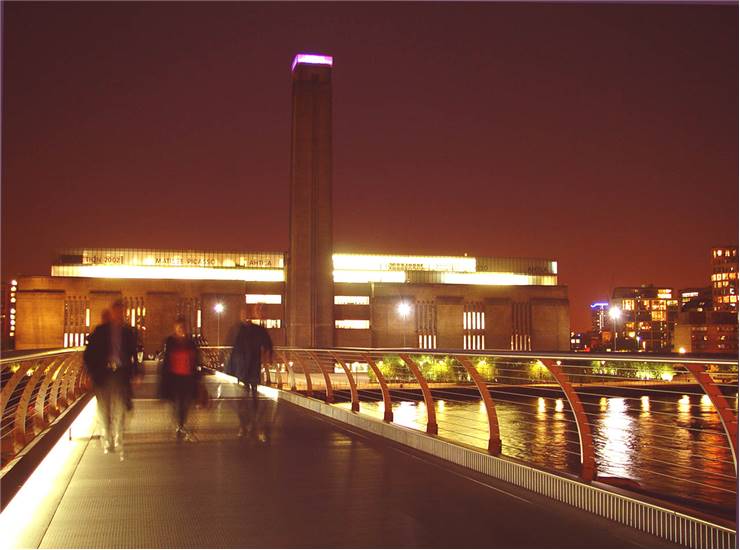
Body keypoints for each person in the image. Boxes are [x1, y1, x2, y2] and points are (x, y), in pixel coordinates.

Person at [83, 300, 140, 455]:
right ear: (112, 312)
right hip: (103, 374)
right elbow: (88, 354)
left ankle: (118, 437)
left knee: (120, 407)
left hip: (121, 373)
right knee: (104, 408)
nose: (119, 315)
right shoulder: (100, 331)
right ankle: (107, 436)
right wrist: (89, 374)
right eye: (117, 311)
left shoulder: (128, 332)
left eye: (122, 312)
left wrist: (136, 374)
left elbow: (134, 355)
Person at [226, 304, 273, 439]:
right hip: (241, 370)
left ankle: (251, 423)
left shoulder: (257, 330)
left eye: (246, 314)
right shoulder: (236, 330)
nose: (245, 317)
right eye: (243, 314)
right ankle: (244, 424)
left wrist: (268, 357)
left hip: (252, 369)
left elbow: (268, 343)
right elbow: (231, 350)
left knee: (253, 398)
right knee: (242, 399)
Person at [159, 316, 201, 440]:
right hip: (174, 377)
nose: (181, 329)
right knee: (177, 402)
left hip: (188, 377)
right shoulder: (170, 341)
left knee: (186, 403)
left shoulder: (190, 342)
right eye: (179, 327)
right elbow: (166, 360)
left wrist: (198, 376)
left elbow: (195, 359)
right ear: (175, 328)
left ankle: (181, 424)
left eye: (183, 327)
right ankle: (179, 424)